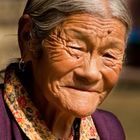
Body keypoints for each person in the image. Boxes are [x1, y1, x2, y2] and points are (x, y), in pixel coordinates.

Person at [0, 0, 131, 139]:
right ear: (28, 38)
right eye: (76, 47)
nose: (91, 73)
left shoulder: (109, 131)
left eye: (109, 55)